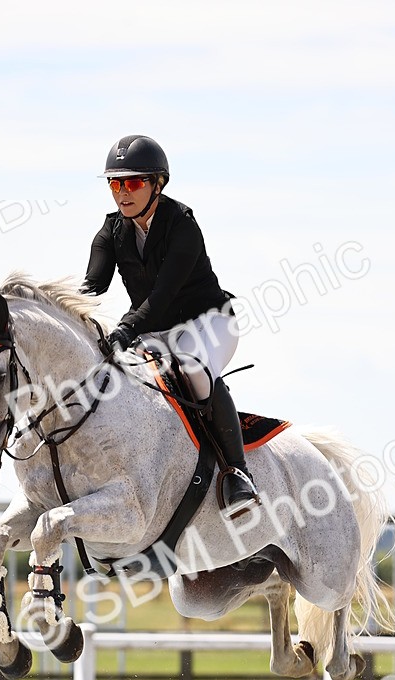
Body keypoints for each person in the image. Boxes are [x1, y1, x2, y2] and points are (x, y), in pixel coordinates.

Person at [82, 134, 260, 517]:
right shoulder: (111, 231)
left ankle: (238, 474)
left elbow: (162, 295)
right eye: (115, 183)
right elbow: (90, 290)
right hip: (154, 332)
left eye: (132, 183)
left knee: (194, 370)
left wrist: (126, 329)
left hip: (208, 323)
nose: (121, 193)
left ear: (157, 184)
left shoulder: (182, 225)